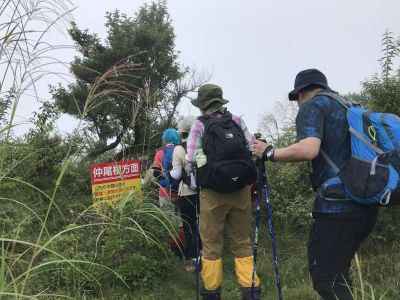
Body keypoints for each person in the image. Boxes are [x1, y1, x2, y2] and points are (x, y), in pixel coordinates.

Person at [253, 69, 378, 300]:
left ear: (301, 93)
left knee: (324, 276)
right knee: (338, 274)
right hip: (366, 202)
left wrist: (269, 152)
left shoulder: (314, 106)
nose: (298, 104)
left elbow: (309, 149)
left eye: (297, 99)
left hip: (337, 206)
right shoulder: (348, 106)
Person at [186, 84, 261, 300]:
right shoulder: (237, 121)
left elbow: (191, 159)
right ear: (221, 102)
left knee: (210, 245)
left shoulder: (199, 125)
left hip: (212, 192)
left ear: (202, 105)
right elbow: (251, 148)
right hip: (240, 191)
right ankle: (250, 291)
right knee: (242, 242)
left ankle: (212, 293)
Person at [169, 116, 200, 272]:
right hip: (203, 192)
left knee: (189, 226)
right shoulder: (201, 146)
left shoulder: (178, 149)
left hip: (186, 193)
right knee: (203, 224)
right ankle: (206, 256)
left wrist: (168, 172)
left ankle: (191, 260)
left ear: (181, 133)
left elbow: (176, 174)